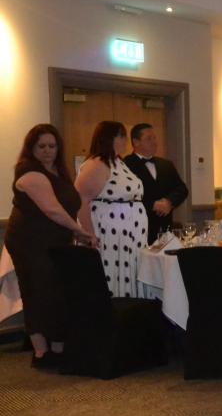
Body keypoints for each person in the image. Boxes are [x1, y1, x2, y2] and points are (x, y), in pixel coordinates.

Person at [5, 124, 94, 368]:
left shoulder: (59, 171)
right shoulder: (28, 172)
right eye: (41, 146)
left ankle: (58, 347)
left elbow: (69, 205)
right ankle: (42, 352)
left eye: (52, 146)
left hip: (56, 240)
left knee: (57, 292)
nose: (47, 151)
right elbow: (52, 209)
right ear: (31, 148)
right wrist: (80, 231)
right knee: (38, 292)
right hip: (30, 242)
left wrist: (75, 230)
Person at [75, 121, 147, 297]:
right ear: (108, 138)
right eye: (121, 136)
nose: (125, 140)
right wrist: (89, 234)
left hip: (130, 238)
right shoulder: (97, 164)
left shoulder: (118, 162)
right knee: (111, 276)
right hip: (110, 237)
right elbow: (80, 200)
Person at [123, 123, 189, 242]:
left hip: (165, 229)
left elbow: (182, 189)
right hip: (138, 231)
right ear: (136, 142)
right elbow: (125, 197)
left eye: (154, 138)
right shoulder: (126, 165)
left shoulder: (166, 164)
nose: (154, 142)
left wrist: (169, 202)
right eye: (149, 138)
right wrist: (152, 205)